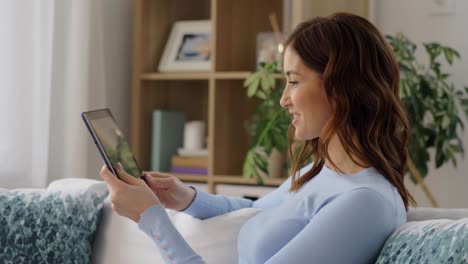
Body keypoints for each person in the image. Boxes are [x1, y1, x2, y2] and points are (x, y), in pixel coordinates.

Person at [100, 12, 416, 264]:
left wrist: (152, 219)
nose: (283, 99)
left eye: (293, 82)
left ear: (341, 87)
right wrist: (186, 197)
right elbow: (257, 208)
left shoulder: (365, 202)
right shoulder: (322, 172)